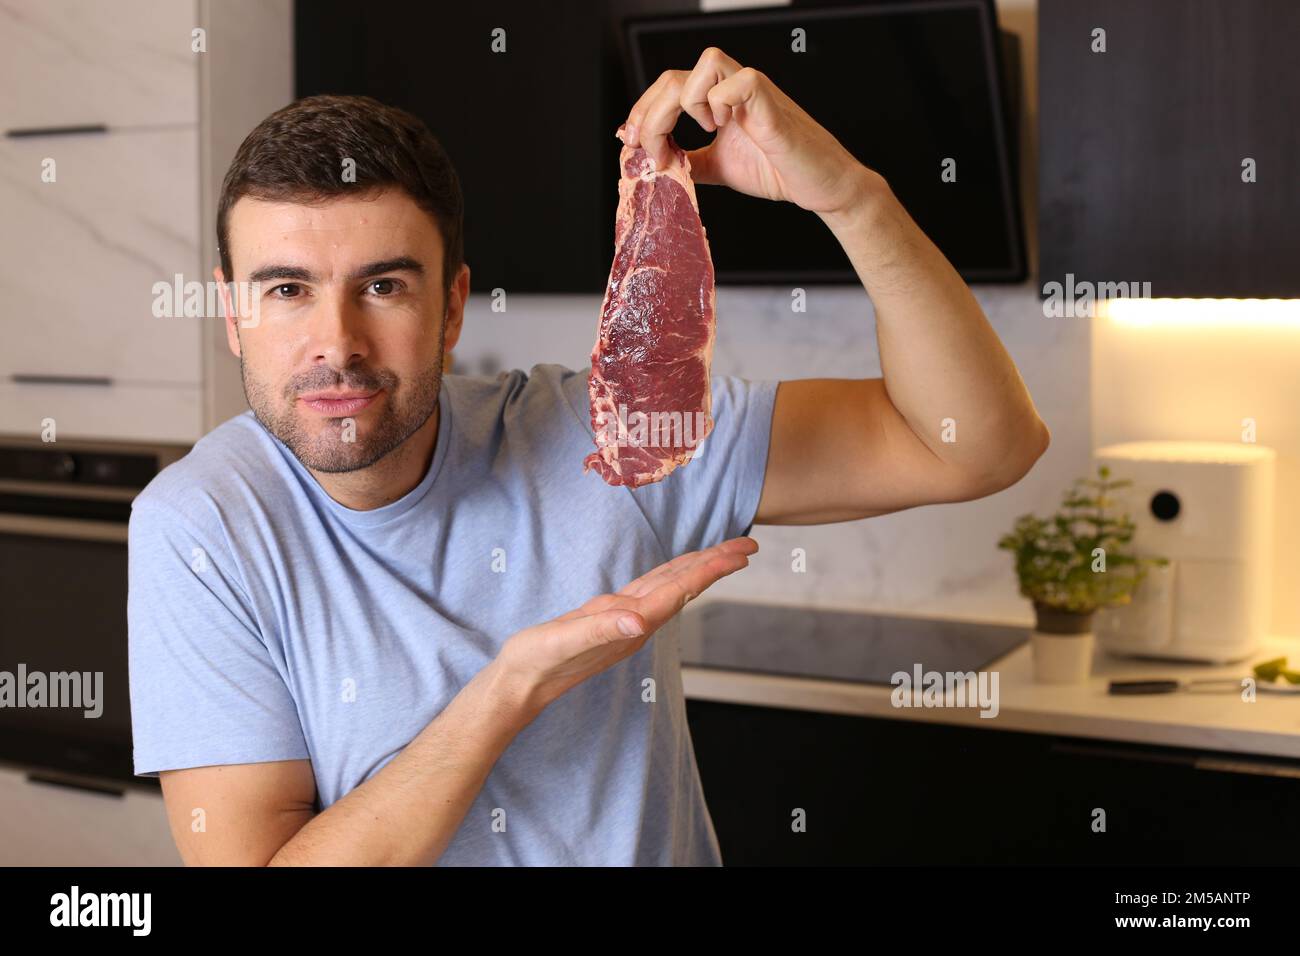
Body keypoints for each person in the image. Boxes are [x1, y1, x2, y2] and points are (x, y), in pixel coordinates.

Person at [127, 47, 1049, 866]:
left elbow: (974, 448)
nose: (338, 341)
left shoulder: (606, 438)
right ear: (231, 314)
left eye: (383, 285)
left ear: (452, 308)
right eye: (286, 289)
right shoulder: (200, 528)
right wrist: (510, 690)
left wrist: (852, 196)